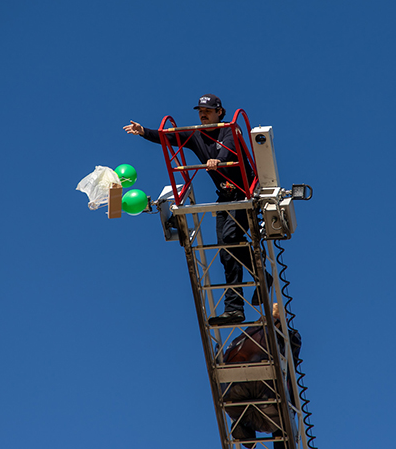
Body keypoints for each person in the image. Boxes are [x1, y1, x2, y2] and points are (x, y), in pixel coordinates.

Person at [124, 94, 255, 325]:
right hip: (225, 197)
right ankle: (237, 307)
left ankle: (256, 279)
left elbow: (230, 150)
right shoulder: (197, 134)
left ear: (219, 112)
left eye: (207, 111)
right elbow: (168, 138)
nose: (203, 114)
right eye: (200, 111)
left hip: (245, 194)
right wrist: (144, 130)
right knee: (226, 251)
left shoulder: (229, 130)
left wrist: (219, 160)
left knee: (230, 238)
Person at [222, 303, 302, 449]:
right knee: (282, 411)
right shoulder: (275, 338)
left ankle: (244, 428)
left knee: (247, 409)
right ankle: (252, 431)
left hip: (236, 395)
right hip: (266, 397)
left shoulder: (250, 335)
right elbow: (292, 358)